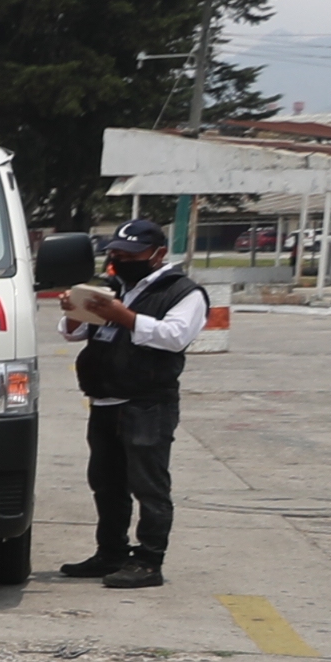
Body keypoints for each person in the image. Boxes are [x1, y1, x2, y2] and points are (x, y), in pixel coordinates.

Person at [57, 216, 208, 590]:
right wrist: (73, 313)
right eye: (117, 254)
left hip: (146, 404)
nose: (121, 260)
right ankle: (110, 552)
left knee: (149, 486)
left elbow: (175, 336)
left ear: (157, 254)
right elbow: (76, 333)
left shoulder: (183, 292)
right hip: (105, 401)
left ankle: (148, 561)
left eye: (130, 255)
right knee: (106, 484)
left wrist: (126, 318)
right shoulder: (114, 288)